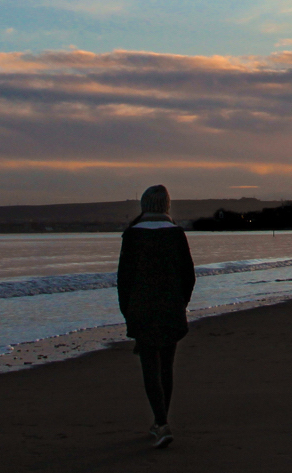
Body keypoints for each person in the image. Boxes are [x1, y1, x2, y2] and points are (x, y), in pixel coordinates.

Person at [117, 185, 195, 449]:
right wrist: (180, 304)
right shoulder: (176, 234)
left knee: (151, 367)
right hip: (171, 308)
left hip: (142, 309)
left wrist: (128, 314)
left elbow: (124, 281)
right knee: (166, 366)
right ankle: (160, 422)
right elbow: (189, 277)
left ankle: (161, 423)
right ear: (166, 206)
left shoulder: (132, 235)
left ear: (144, 205)